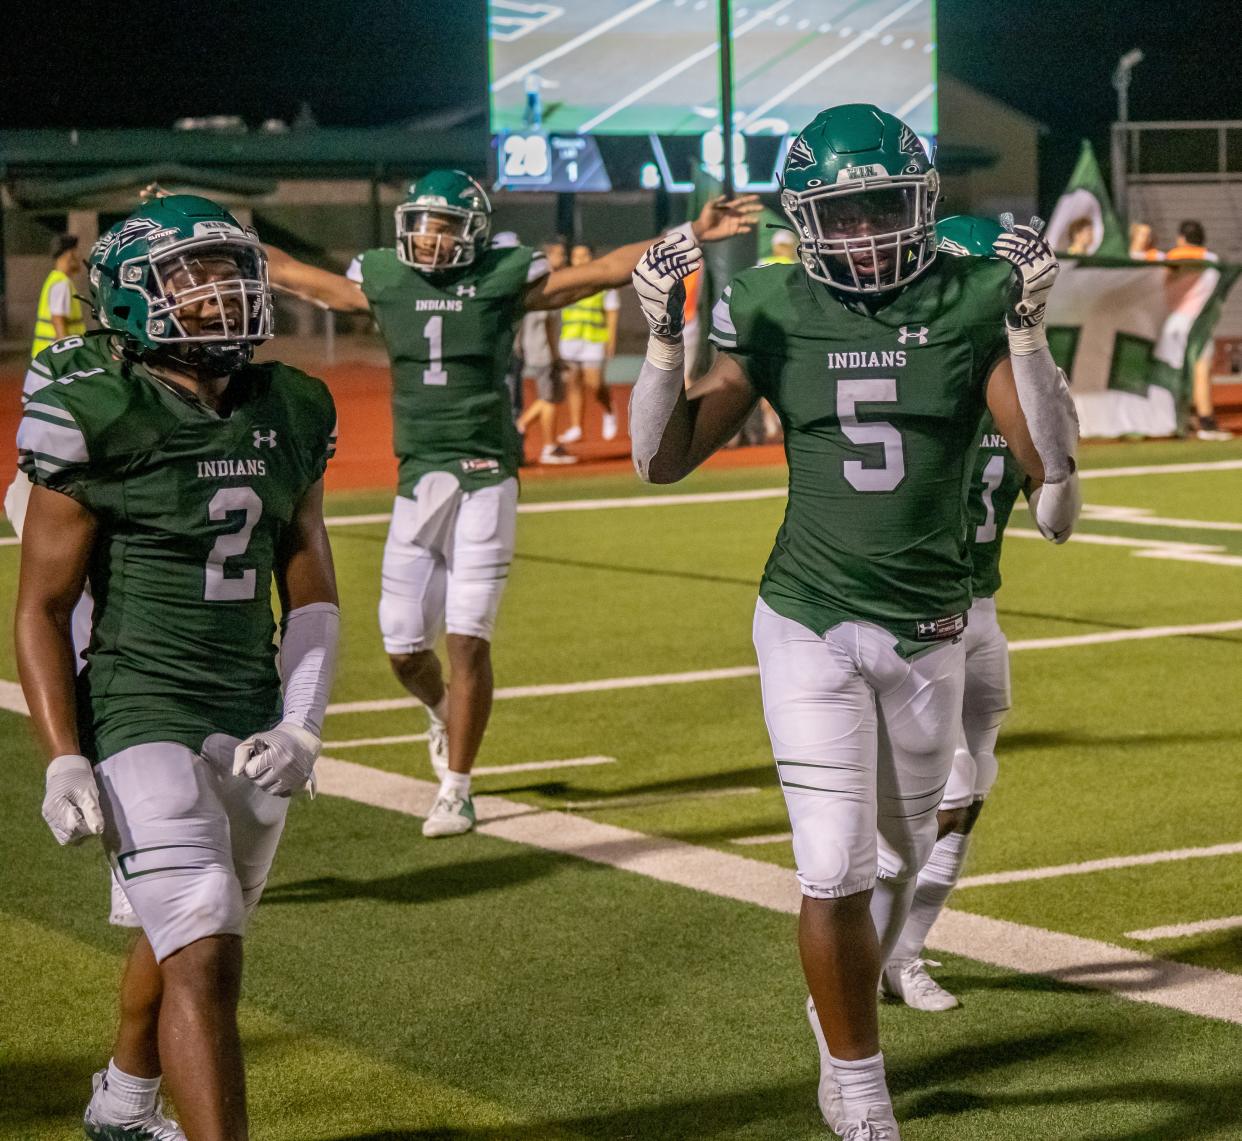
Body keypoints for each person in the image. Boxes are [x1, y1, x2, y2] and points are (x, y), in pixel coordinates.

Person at [629, 106, 1080, 1138]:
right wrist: (660, 341)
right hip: (810, 617)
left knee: (899, 857)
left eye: (886, 208)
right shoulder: (772, 301)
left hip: (931, 627)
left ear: (921, 207)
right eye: (847, 211)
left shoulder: (970, 297)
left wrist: (1028, 329)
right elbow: (662, 457)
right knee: (831, 865)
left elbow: (1049, 466)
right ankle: (860, 1080)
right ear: (805, 220)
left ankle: (840, 1016)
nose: (870, 234)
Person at [265, 170, 759, 837]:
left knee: (468, 637)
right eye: (423, 225)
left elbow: (605, 270)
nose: (430, 240)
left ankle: (458, 786)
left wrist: (692, 231)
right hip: (418, 476)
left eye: (444, 227)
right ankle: (440, 709)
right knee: (404, 648)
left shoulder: (502, 277)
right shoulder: (384, 278)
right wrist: (201, 229)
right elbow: (295, 274)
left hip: (487, 471)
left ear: (471, 232)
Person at [16, 194, 339, 1141]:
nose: (223, 291)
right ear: (128, 300)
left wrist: (302, 719)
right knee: (206, 952)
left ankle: (121, 1102)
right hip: (135, 705)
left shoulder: (291, 403)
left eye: (231, 269)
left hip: (247, 706)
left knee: (194, 926)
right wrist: (62, 753)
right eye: (193, 276)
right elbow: (39, 604)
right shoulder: (96, 409)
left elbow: (310, 582)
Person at [881, 215, 1057, 1012]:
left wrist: (1040, 364)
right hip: (914, 616)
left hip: (981, 607)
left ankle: (906, 951)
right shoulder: (912, 382)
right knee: (934, 802)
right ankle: (881, 952)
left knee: (972, 785)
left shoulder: (1013, 385)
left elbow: (1057, 512)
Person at [1166, 221, 1230, 440]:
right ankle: (1205, 421)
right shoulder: (1212, 261)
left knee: (1173, 371)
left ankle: (1181, 417)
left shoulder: (1173, 257)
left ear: (1182, 237)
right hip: (1196, 323)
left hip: (1171, 322)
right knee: (1200, 370)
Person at [516, 238, 576, 463]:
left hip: (537, 350)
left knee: (552, 397)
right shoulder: (546, 285)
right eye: (559, 254)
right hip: (543, 352)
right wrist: (556, 357)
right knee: (549, 398)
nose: (563, 258)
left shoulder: (532, 282)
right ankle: (547, 446)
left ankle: (525, 426)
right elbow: (548, 327)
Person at [557, 242, 622, 445]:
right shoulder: (566, 280)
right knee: (573, 382)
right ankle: (576, 426)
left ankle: (609, 410)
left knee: (593, 383)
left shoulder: (603, 282)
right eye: (576, 256)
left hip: (594, 339)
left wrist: (611, 340)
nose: (580, 260)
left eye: (584, 256)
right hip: (570, 338)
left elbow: (612, 312)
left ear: (592, 258)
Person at [31, 232, 87, 359]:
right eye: (76, 252)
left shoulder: (54, 279)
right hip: (55, 359)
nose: (80, 257)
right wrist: (67, 355)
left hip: (48, 356)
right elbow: (58, 320)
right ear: (69, 255)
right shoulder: (62, 284)